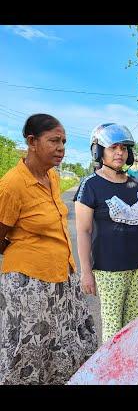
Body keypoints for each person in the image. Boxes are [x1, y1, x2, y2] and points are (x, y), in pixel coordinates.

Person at [0, 114, 97, 384]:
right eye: (54, 140)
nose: (61, 148)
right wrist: (25, 248)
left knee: (66, 347)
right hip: (28, 284)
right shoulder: (12, 185)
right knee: (28, 354)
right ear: (32, 142)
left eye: (64, 141)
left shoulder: (52, 177)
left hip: (61, 278)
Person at [74, 123, 138, 344]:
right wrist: (86, 272)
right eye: (113, 148)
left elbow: (137, 216)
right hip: (109, 270)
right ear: (98, 151)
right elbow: (83, 231)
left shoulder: (134, 183)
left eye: (123, 148)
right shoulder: (90, 185)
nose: (119, 153)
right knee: (114, 329)